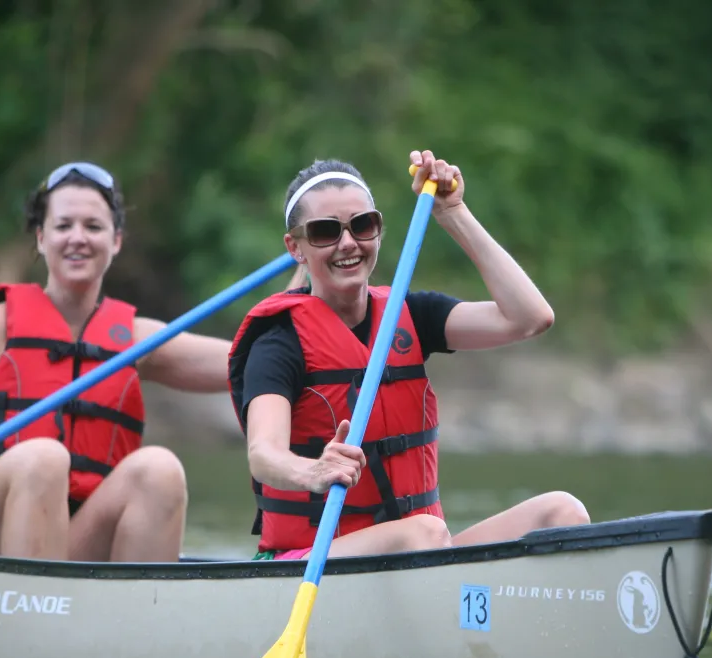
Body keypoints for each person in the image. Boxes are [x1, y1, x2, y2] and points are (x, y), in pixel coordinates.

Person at [227, 149, 590, 561]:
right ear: (296, 247)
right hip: (310, 563)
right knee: (425, 533)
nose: (348, 243)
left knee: (563, 512)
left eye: (362, 225)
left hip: (421, 548)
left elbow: (530, 318)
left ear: (378, 232)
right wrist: (312, 471)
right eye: (326, 232)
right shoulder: (278, 342)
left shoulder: (412, 314)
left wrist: (452, 211)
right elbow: (264, 454)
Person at [0, 161, 232, 562]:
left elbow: (247, 362)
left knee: (160, 469)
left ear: (115, 241)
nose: (77, 238)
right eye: (63, 226)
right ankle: (27, 613)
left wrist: (302, 286)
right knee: (44, 457)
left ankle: (136, 617)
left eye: (93, 227)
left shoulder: (138, 340)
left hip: (74, 540)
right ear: (41, 238)